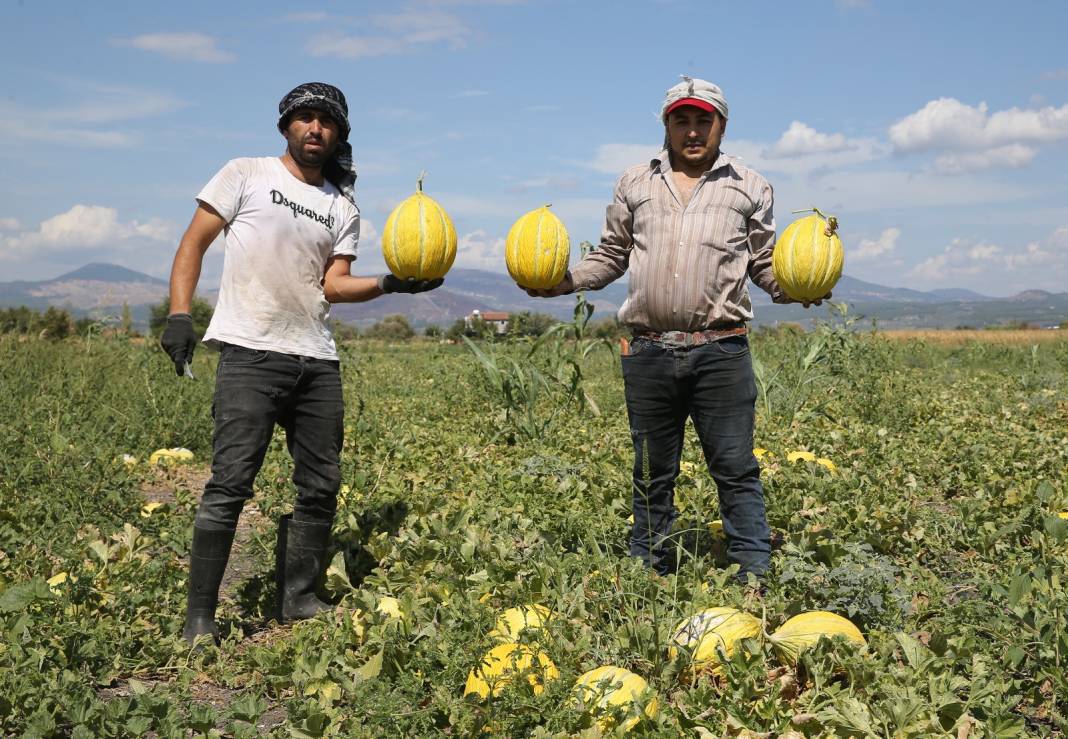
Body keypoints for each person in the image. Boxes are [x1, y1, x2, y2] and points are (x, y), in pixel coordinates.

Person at [160, 82, 441, 645]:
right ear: (287, 124)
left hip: (315, 358)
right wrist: (180, 314)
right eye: (305, 118)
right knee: (230, 484)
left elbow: (332, 285)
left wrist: (389, 284)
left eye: (327, 122)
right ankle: (199, 620)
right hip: (250, 353)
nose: (315, 129)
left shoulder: (342, 204)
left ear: (339, 134)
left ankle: (298, 597)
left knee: (320, 484)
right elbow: (193, 244)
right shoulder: (245, 173)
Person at [524, 76, 828, 583]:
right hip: (649, 351)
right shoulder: (634, 182)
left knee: (735, 468)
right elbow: (611, 255)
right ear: (666, 125)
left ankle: (754, 575)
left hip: (722, 349)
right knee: (650, 473)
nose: (692, 131)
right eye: (681, 120)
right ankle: (649, 574)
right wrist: (564, 283)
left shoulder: (751, 186)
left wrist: (794, 287)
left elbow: (764, 264)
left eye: (702, 120)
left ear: (722, 126)